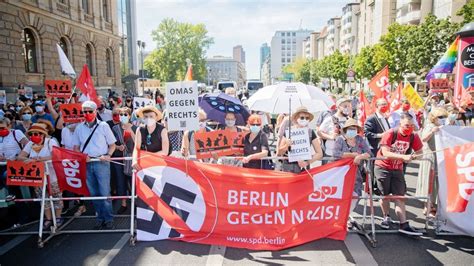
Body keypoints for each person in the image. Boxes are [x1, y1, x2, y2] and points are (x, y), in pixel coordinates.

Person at [375, 112, 423, 236]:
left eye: (412, 125)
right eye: (407, 125)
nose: (410, 128)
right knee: (384, 195)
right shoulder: (390, 133)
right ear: (400, 123)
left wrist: (414, 156)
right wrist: (403, 156)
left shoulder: (413, 136)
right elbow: (385, 152)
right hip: (383, 167)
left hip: (398, 169)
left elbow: (420, 153)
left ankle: (403, 224)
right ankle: (386, 217)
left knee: (399, 196)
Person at [73, 101, 117, 230]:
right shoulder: (79, 128)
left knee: (104, 192)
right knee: (94, 194)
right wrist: (81, 157)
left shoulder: (103, 126)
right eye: (84, 111)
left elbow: (112, 144)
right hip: (86, 163)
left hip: (101, 162)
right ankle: (99, 218)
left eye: (89, 111)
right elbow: (76, 147)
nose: (87, 114)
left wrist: (108, 155)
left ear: (95, 111)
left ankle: (108, 219)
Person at [17, 123, 62, 229]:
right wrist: (28, 160)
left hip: (52, 175)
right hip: (37, 177)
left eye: (36, 134)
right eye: (31, 134)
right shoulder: (30, 144)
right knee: (42, 197)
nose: (34, 136)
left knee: (56, 196)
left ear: (42, 134)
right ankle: (48, 219)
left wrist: (39, 159)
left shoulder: (51, 142)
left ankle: (58, 217)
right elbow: (20, 157)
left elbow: (56, 155)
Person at [333, 118, 371, 205]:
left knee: (356, 195)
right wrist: (352, 155)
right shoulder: (340, 139)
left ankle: (348, 213)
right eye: (350, 129)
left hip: (356, 174)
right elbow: (336, 153)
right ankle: (343, 216)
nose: (352, 131)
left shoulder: (360, 139)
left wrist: (360, 156)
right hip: (342, 174)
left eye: (354, 129)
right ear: (346, 129)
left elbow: (369, 153)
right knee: (342, 196)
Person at [416, 108, 446, 218]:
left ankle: (433, 205)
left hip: (438, 156)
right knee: (428, 181)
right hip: (430, 155)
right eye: (441, 117)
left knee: (436, 182)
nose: (443, 119)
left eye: (444, 117)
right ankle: (427, 206)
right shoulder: (429, 126)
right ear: (434, 117)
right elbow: (423, 139)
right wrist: (432, 132)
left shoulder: (441, 126)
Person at [277, 106, 323, 173]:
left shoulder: (310, 132)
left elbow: (319, 153)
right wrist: (286, 145)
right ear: (296, 118)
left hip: (304, 169)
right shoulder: (288, 132)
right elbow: (279, 152)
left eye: (307, 118)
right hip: (288, 168)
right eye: (302, 117)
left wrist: (307, 162)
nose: (304, 119)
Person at [112, 107, 136, 214]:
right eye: (121, 114)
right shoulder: (114, 128)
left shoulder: (136, 128)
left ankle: (136, 202)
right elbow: (111, 143)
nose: (123, 116)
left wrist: (130, 131)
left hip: (131, 158)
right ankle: (123, 204)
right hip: (119, 158)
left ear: (130, 116)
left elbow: (138, 143)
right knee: (120, 182)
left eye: (125, 114)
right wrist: (118, 147)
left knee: (133, 181)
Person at [132, 106, 169, 170]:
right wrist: (134, 160)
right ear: (143, 117)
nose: (148, 118)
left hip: (160, 163)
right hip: (145, 164)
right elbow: (136, 148)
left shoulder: (162, 130)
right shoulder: (140, 129)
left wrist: (148, 157)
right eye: (146, 116)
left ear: (156, 117)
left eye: (151, 116)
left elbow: (165, 151)